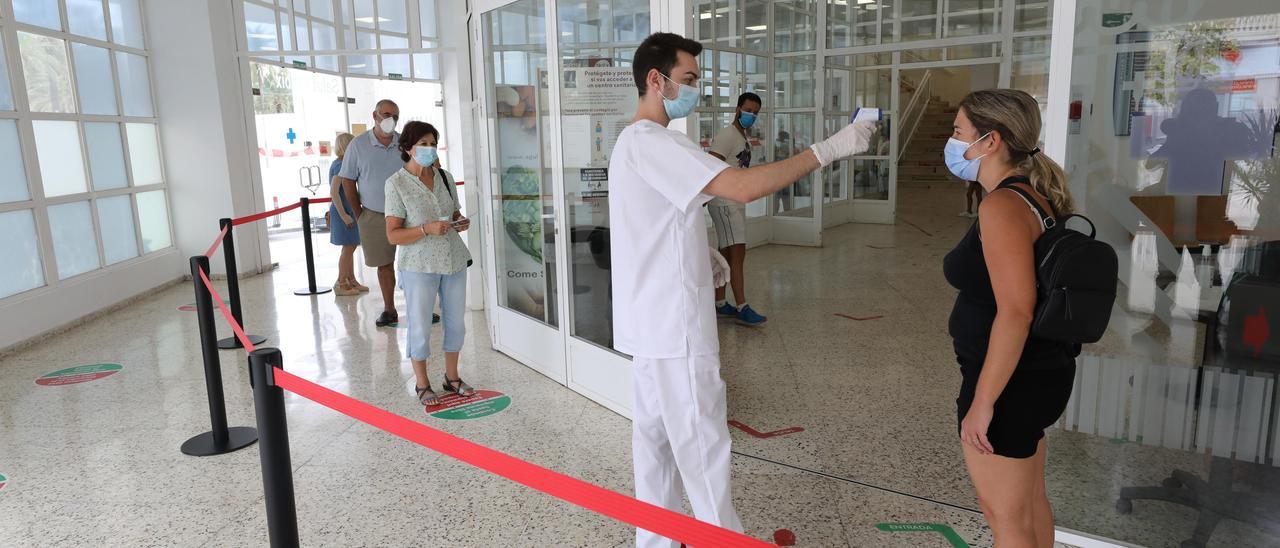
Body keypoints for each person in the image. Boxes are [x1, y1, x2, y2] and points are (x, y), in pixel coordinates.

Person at [611, 32, 874, 548]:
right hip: (674, 325)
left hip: (648, 324)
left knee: (657, 447)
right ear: (654, 79)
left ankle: (658, 540)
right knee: (702, 446)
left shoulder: (636, 142)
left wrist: (697, 251)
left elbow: (653, 220)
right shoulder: (651, 141)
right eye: (687, 80)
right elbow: (743, 187)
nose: (694, 90)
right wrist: (831, 148)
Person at [942, 89, 1079, 548]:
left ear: (990, 140)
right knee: (1029, 506)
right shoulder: (1034, 196)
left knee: (1008, 523)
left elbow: (1016, 312)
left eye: (959, 132)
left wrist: (983, 404)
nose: (953, 141)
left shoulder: (1001, 206)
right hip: (1038, 372)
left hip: (1007, 382)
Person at [383, 121, 473, 405]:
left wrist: (459, 222)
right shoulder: (396, 184)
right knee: (420, 324)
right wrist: (425, 229)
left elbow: (453, 212)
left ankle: (452, 377)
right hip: (419, 265)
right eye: (423, 144)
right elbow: (393, 234)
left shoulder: (444, 177)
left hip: (453, 260)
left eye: (433, 143)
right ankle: (422, 383)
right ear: (407, 148)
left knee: (456, 323)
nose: (429, 149)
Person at [335, 99, 406, 327]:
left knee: (416, 262)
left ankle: (419, 306)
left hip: (408, 214)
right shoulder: (358, 145)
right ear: (375, 115)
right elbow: (347, 180)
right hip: (375, 215)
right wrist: (359, 214)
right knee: (384, 264)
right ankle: (389, 309)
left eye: (395, 116)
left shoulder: (403, 143)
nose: (391, 120)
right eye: (386, 114)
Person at [707, 92, 766, 326]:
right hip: (724, 202)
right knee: (738, 253)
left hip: (734, 200)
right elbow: (711, 164)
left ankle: (720, 303)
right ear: (738, 109)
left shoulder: (742, 135)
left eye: (755, 113)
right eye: (748, 110)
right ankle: (742, 306)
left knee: (726, 254)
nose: (751, 115)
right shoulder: (727, 135)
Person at [327, 133, 368, 296]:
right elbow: (334, 192)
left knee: (351, 247)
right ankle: (341, 283)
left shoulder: (344, 163)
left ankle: (351, 280)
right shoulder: (340, 164)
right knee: (348, 248)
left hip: (348, 210)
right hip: (342, 212)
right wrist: (344, 215)